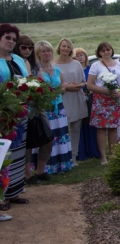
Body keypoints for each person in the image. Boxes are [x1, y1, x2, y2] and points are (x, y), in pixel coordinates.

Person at [31, 40, 74, 175]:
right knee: (47, 137)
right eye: (43, 51)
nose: (47, 53)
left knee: (60, 136)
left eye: (48, 50)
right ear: (38, 53)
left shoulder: (57, 70)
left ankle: (63, 164)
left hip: (58, 107)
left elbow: (63, 87)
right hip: (44, 108)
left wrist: (61, 89)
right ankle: (45, 167)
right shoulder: (36, 71)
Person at [0, 24, 31, 212]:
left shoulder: (18, 59)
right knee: (2, 155)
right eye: (7, 37)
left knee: (17, 154)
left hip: (19, 114)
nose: (11, 41)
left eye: (13, 39)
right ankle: (1, 195)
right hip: (2, 115)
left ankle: (13, 191)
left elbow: (28, 82)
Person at [87, 42, 120, 165]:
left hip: (115, 100)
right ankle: (103, 157)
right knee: (101, 129)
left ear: (111, 50)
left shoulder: (119, 64)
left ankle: (113, 154)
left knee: (113, 128)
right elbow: (90, 85)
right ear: (99, 53)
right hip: (101, 100)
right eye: (103, 50)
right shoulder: (95, 65)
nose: (106, 52)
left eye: (108, 49)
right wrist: (105, 91)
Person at [54, 38, 88, 166]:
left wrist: (78, 85)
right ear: (59, 47)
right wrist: (66, 87)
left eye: (68, 46)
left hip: (76, 97)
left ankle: (73, 157)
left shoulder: (76, 64)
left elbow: (84, 82)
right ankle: (62, 157)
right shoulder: (53, 64)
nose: (66, 48)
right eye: (63, 46)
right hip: (62, 98)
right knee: (62, 130)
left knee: (75, 129)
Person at [13, 34, 38, 183]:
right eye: (24, 47)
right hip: (13, 105)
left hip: (28, 105)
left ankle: (26, 173)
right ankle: (24, 174)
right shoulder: (15, 61)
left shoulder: (27, 62)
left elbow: (30, 82)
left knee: (26, 141)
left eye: (30, 47)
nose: (27, 50)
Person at [74, 47, 101, 161]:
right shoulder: (74, 69)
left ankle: (94, 150)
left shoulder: (91, 68)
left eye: (82, 55)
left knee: (92, 123)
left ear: (85, 57)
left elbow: (97, 82)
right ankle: (81, 151)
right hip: (78, 98)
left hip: (91, 98)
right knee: (80, 124)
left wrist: (92, 90)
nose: (80, 58)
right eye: (77, 56)